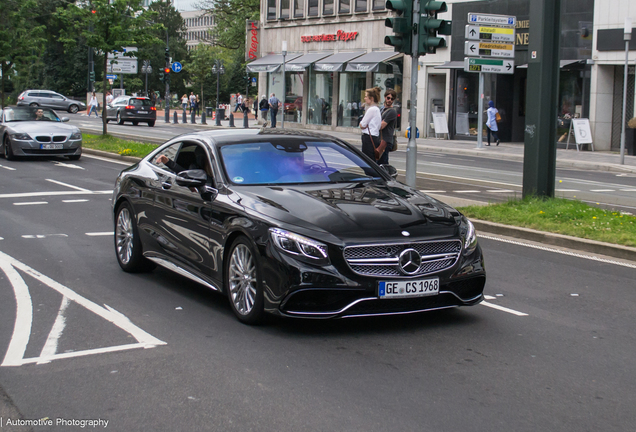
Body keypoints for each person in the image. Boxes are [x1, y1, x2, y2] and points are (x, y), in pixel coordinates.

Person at [359, 87, 382, 161]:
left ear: (371, 98)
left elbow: (362, 124)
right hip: (375, 136)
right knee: (372, 159)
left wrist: (362, 125)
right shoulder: (377, 109)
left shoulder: (371, 109)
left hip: (368, 137)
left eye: (366, 96)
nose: (365, 98)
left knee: (367, 160)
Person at [376, 88, 398, 165]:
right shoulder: (382, 109)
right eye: (388, 98)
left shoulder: (392, 111)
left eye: (392, 99)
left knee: (382, 163)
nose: (390, 100)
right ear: (385, 97)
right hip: (380, 139)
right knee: (378, 162)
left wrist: (376, 124)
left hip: (385, 141)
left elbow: (381, 126)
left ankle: (387, 176)